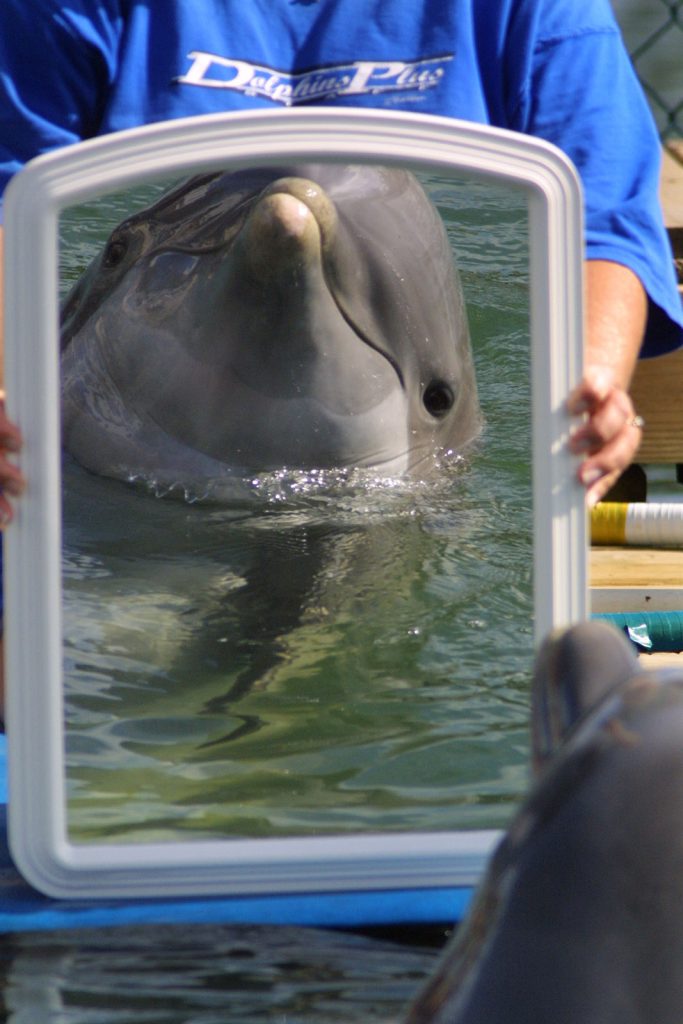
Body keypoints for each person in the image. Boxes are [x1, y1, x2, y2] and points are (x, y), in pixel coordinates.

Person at [0, 0, 680, 506]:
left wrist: (587, 389)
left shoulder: (526, 9)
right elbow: (10, 201)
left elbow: (601, 225)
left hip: (383, 509)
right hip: (69, 466)